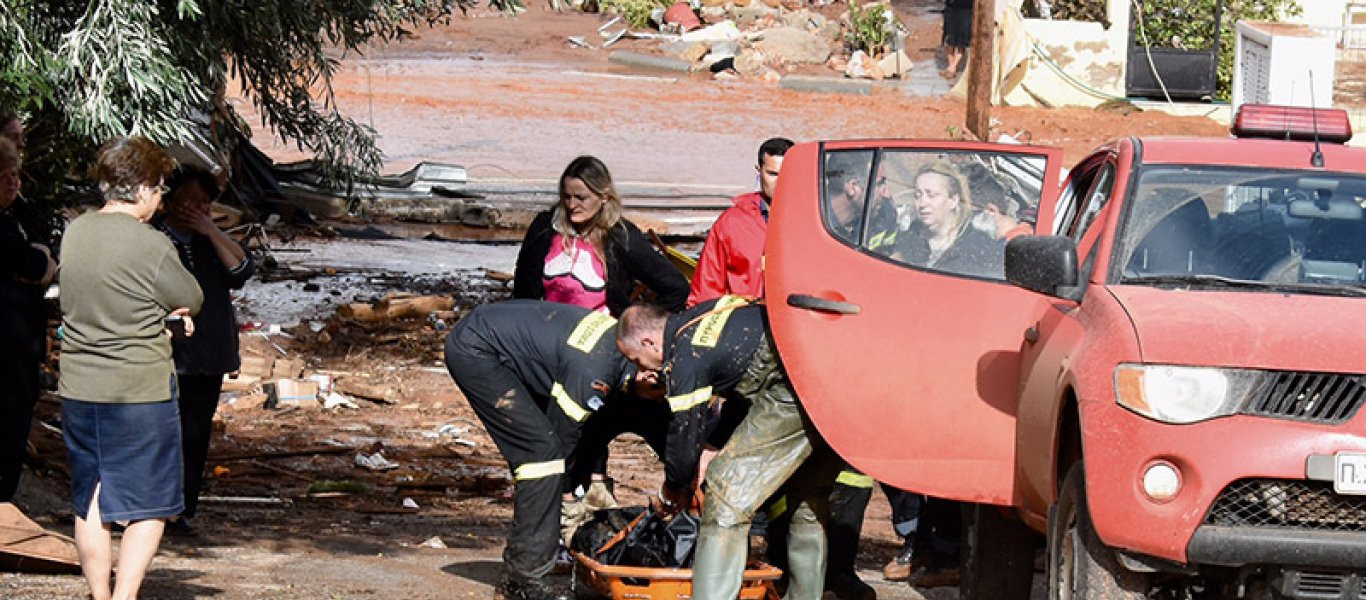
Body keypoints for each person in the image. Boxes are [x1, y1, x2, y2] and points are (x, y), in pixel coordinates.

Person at [616, 297, 841, 600]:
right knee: (807, 496)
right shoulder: (711, 313)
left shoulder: (685, 355)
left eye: (635, 359)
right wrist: (713, 444)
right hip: (834, 374)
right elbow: (745, 381)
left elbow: (683, 442)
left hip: (795, 387)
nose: (640, 370)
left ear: (650, 342)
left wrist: (671, 491)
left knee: (725, 490)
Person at [60, 136, 203, 600]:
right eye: (160, 190)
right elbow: (191, 296)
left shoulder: (75, 231)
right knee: (150, 504)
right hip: (139, 390)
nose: (162, 200)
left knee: (92, 499)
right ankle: (125, 597)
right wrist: (172, 315)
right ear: (140, 188)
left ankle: (99, 594)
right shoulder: (151, 244)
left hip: (80, 385)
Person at [444, 301, 631, 600]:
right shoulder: (595, 368)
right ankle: (520, 582)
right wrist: (568, 497)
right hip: (479, 348)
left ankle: (540, 558)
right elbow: (564, 434)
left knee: (548, 455)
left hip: (516, 347)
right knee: (541, 457)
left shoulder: (624, 356)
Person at [152, 165, 255, 535]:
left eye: (204, 203)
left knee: (196, 434)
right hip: (168, 354)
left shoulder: (208, 242)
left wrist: (211, 230)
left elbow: (242, 270)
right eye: (188, 201)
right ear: (169, 201)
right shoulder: (156, 239)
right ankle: (154, 508)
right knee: (164, 431)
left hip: (209, 352)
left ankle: (183, 510)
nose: (195, 209)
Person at [513, 155, 689, 316]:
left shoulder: (621, 236)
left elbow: (676, 288)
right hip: (543, 333)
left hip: (598, 339)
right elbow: (522, 288)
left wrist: (635, 325)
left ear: (604, 197)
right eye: (567, 197)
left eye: (581, 198)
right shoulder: (544, 227)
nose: (572, 205)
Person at [0, 134, 55, 503]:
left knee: (16, 425)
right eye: (3, 175)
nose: (12, 182)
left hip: (22, 348)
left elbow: (45, 247)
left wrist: (38, 262)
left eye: (14, 174)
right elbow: (31, 262)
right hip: (4, 342)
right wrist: (36, 264)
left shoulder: (15, 213)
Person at [687, 137, 793, 306]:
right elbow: (706, 289)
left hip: (794, 322)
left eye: (787, 174)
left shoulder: (814, 222)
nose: (780, 182)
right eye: (772, 174)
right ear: (759, 171)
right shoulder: (731, 223)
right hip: (742, 322)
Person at [892, 161, 1004, 279]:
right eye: (917, 195)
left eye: (932, 195)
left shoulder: (980, 246)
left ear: (953, 200)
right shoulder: (909, 237)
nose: (922, 203)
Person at [941, 0, 973, 79]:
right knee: (949, 40)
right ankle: (951, 67)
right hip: (951, 8)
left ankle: (953, 66)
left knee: (961, 41)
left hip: (966, 9)